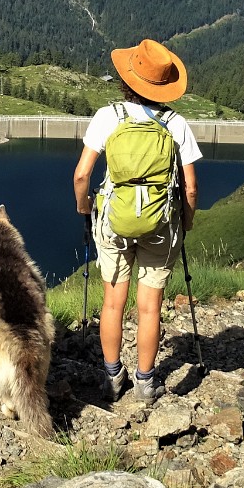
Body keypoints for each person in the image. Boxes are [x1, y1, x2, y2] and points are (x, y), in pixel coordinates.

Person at [73, 38, 201, 404]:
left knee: (113, 303)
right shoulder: (176, 124)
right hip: (162, 224)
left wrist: (86, 208)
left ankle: (112, 377)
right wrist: (185, 223)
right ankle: (146, 382)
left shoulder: (107, 117)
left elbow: (82, 176)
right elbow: (190, 189)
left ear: (127, 80)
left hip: (114, 220)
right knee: (150, 306)